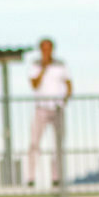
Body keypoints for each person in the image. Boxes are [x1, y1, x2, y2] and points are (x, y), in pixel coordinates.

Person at [27, 38, 72, 188]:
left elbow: (68, 83)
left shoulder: (61, 65)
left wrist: (65, 99)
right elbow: (34, 84)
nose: (46, 51)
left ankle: (56, 177)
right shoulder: (35, 65)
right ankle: (31, 177)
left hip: (57, 108)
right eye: (44, 49)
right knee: (34, 143)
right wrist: (43, 68)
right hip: (41, 108)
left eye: (49, 48)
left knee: (58, 145)